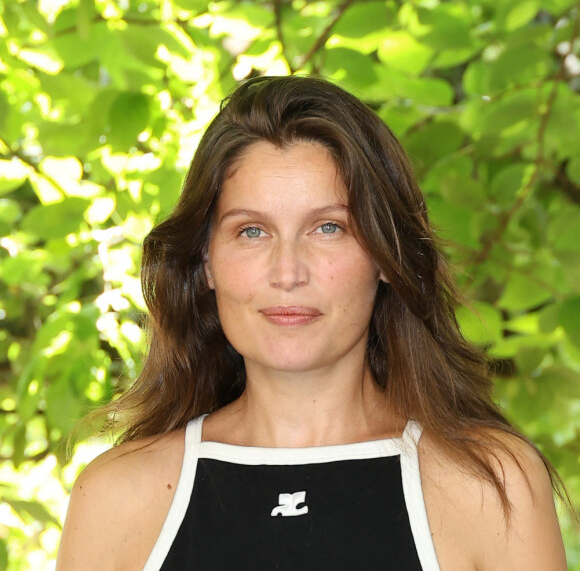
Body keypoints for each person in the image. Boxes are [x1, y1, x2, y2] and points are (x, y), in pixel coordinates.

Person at [56, 76, 567, 570]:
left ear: (385, 256)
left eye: (328, 227)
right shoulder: (116, 499)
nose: (287, 273)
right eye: (252, 231)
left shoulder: (489, 485)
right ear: (207, 261)